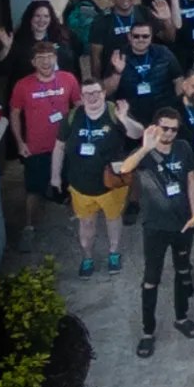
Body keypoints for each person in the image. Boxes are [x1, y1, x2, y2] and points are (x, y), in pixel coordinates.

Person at [124, 110, 194, 358]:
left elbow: (191, 180)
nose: (168, 133)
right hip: (155, 227)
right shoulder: (145, 152)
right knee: (151, 278)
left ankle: (182, 317)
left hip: (182, 223)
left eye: (173, 129)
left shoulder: (183, 148)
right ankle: (148, 331)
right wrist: (145, 148)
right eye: (164, 128)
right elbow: (125, 168)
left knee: (182, 271)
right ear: (155, 127)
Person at [5, 37, 76, 250]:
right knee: (33, 190)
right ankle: (29, 227)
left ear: (56, 59)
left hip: (64, 145)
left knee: (72, 183)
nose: (46, 62)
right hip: (36, 146)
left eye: (49, 57)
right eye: (40, 58)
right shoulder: (23, 85)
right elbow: (15, 114)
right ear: (33, 62)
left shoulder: (68, 79)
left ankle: (76, 220)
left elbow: (79, 106)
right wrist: (20, 142)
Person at [58, 74, 130, 276]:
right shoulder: (72, 116)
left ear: (104, 93)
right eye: (87, 94)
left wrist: (124, 119)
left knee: (113, 219)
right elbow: (59, 146)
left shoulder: (114, 112)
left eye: (96, 93)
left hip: (111, 183)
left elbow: (137, 134)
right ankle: (87, 257)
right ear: (81, 96)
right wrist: (55, 176)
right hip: (81, 184)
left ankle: (114, 253)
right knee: (86, 223)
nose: (92, 97)